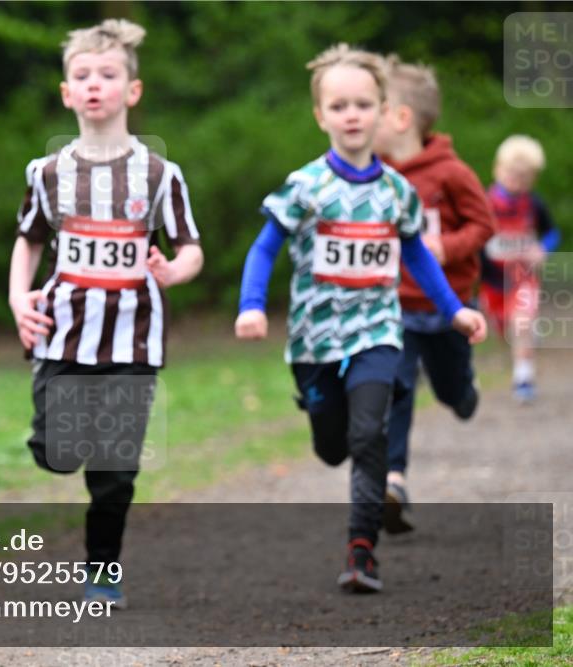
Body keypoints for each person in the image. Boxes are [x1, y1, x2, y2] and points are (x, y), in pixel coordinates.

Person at [234, 44, 487, 593]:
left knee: (369, 433)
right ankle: (327, 422)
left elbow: (417, 254)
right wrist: (251, 306)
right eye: (339, 106)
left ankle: (362, 550)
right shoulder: (306, 186)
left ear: (382, 112)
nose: (352, 115)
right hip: (314, 340)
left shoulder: (396, 191)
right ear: (320, 115)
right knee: (333, 446)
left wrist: (454, 310)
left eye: (363, 105)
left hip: (377, 330)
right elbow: (264, 248)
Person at [8, 19, 203, 608]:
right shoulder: (46, 173)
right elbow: (29, 240)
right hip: (62, 335)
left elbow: (191, 249)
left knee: (115, 473)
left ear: (132, 91)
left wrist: (174, 270)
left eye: (108, 74)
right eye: (82, 75)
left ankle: (102, 572)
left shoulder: (160, 175)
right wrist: (19, 297)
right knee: (58, 454)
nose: (95, 84)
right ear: (67, 93)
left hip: (133, 341)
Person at [372, 55, 496, 534]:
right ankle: (394, 481)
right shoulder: (374, 174)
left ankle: (463, 391)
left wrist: (448, 247)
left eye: (375, 107)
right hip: (395, 306)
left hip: (449, 308)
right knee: (396, 389)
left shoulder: (451, 173)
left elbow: (483, 225)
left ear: (400, 117)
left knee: (449, 390)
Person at [480, 135, 561, 404]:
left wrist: (542, 250)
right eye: (511, 173)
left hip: (522, 278)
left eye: (524, 177)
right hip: (493, 280)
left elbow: (552, 233)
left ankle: (523, 377)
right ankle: (522, 339)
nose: (516, 180)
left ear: (532, 179)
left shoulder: (534, 204)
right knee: (504, 329)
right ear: (497, 169)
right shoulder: (484, 203)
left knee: (522, 322)